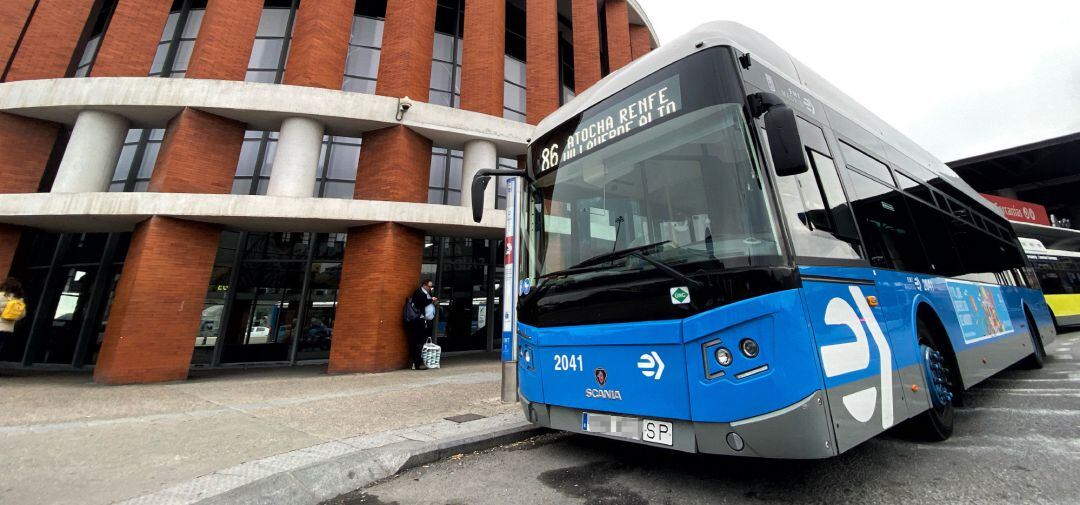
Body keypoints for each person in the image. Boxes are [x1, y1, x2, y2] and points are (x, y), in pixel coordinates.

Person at [408, 278, 438, 370]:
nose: (430, 288)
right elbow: (421, 303)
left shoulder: (427, 293)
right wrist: (431, 300)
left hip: (425, 320)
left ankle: (420, 361)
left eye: (431, 286)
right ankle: (417, 363)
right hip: (418, 320)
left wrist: (434, 302)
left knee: (422, 341)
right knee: (418, 341)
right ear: (424, 285)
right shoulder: (419, 292)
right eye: (429, 286)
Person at [0, 277, 27, 352]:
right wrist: (12, 317)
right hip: (8, 329)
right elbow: (22, 314)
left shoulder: (1, 295)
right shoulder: (19, 300)